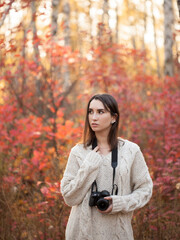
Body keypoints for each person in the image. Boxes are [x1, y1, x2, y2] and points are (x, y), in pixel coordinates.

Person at [61, 93, 153, 240]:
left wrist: (120, 203)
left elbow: (145, 189)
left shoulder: (130, 150)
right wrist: (89, 166)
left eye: (100, 112)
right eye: (90, 112)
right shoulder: (78, 152)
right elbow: (69, 197)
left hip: (118, 234)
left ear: (114, 118)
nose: (94, 117)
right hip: (82, 234)